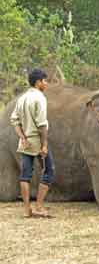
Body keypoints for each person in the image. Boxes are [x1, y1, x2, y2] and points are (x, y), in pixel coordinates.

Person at [10, 68, 55, 218]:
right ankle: (39, 206)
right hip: (37, 141)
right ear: (38, 82)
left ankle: (27, 209)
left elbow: (14, 120)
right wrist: (44, 145)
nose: (46, 83)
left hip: (25, 142)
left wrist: (22, 137)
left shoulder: (21, 98)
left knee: (25, 175)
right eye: (45, 80)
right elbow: (42, 124)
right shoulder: (39, 98)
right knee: (49, 170)